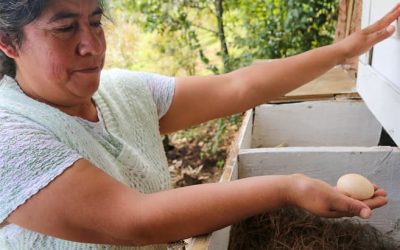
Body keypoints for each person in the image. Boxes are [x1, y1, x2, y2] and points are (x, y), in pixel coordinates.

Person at [0, 0, 397, 249]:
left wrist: (345, 49)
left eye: (96, 21)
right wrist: (288, 187)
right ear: (9, 42)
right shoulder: (10, 135)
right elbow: (135, 219)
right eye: (66, 28)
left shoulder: (120, 92)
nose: (93, 45)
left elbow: (239, 86)